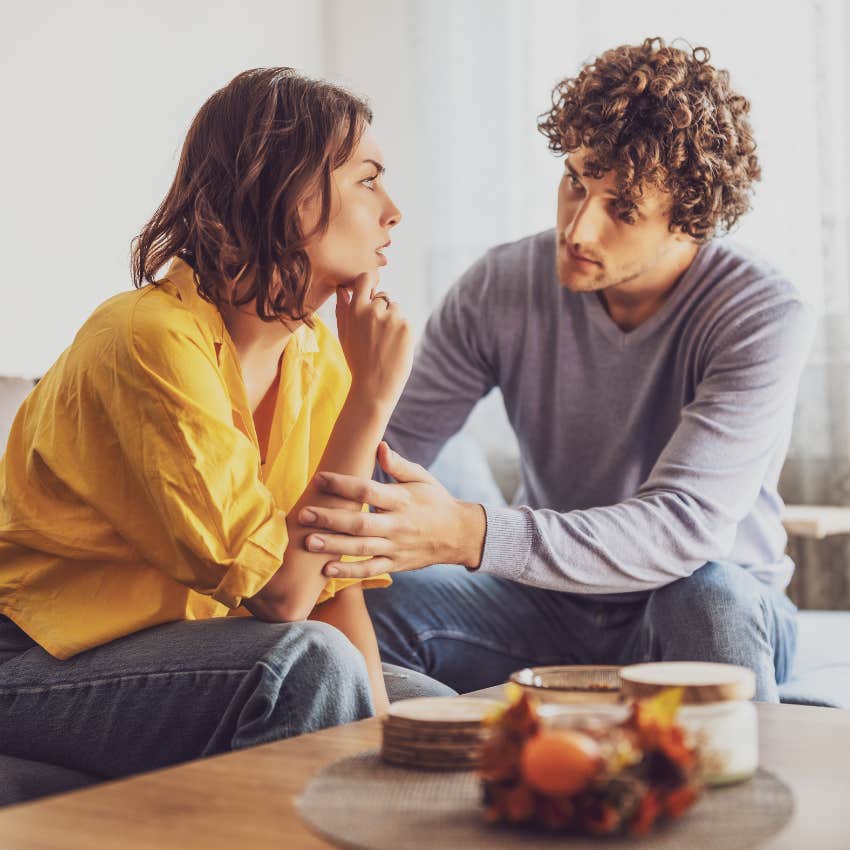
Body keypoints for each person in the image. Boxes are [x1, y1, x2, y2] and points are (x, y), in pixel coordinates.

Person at [294, 39, 814, 703]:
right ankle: (440, 768)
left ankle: (732, 803)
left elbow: (683, 527)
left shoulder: (760, 310)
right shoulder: (500, 285)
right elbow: (383, 461)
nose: (579, 229)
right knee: (357, 614)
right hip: (542, 606)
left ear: (692, 223)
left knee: (709, 598)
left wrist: (469, 533)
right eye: (576, 180)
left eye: (622, 208)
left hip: (695, 600)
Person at [0, 67, 448, 783]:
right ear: (287, 191)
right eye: (368, 180)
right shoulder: (146, 338)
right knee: (310, 667)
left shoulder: (315, 358)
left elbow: (331, 588)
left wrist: (391, 736)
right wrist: (373, 395)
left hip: (192, 651)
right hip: (36, 662)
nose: (393, 211)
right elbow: (281, 597)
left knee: (440, 715)